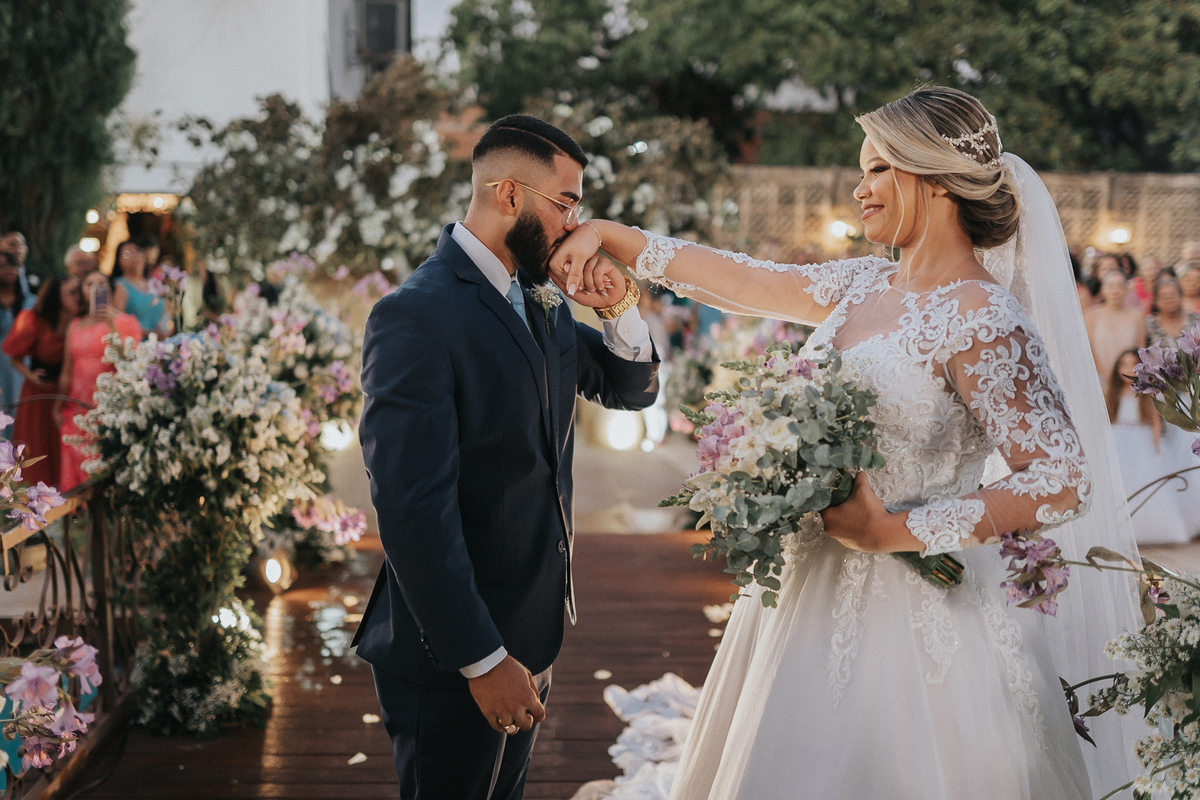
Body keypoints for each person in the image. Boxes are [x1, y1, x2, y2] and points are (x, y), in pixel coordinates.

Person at [552, 86, 1142, 799]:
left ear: (931, 179)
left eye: (877, 170)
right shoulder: (865, 283)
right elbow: (744, 279)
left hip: (920, 628)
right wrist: (613, 237)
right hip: (803, 594)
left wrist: (897, 529)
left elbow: (1060, 477)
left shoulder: (983, 316)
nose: (858, 190)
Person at [351, 114, 660, 799]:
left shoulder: (541, 299)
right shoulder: (414, 315)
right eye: (567, 203)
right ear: (509, 196)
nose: (578, 224)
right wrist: (481, 659)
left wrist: (618, 308)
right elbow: (411, 505)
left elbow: (627, 390)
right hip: (454, 648)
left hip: (533, 629)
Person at [54, 270, 141, 491]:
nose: (95, 288)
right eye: (89, 284)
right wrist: (57, 405)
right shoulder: (74, 325)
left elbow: (130, 363)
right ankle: (78, 521)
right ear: (83, 292)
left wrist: (112, 324)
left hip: (108, 408)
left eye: (101, 283)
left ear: (110, 290)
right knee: (75, 462)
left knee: (104, 469)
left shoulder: (126, 322)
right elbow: (67, 370)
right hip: (76, 407)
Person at [1, 277, 81, 487]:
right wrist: (31, 375)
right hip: (39, 393)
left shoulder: (81, 321)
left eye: (78, 292)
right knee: (36, 447)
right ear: (57, 295)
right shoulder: (34, 318)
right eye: (72, 292)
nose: (78, 296)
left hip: (69, 393)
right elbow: (14, 356)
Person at [1106, 350, 1191, 544]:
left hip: (1140, 439)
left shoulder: (1147, 394)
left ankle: (1147, 529)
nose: (1128, 369)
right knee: (1120, 481)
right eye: (1123, 365)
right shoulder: (1113, 393)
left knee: (1144, 482)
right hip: (1117, 436)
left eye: (1133, 366)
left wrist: (1155, 445)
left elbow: (1155, 422)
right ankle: (1117, 531)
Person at [1085, 269, 1145, 383]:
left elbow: (1139, 350)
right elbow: (1089, 349)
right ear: (1102, 289)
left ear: (1127, 289)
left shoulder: (1137, 316)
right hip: (1099, 379)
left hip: (1129, 380)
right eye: (1110, 286)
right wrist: (1105, 377)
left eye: (1120, 286)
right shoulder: (1091, 315)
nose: (1115, 291)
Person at [0, 244, 28, 439]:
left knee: (20, 422)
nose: (8, 269)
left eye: (13, 265)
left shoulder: (31, 303)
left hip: (21, 371)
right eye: (2, 266)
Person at [110, 239, 165, 334]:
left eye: (138, 251)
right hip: (135, 343)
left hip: (162, 343)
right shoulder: (120, 285)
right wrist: (149, 333)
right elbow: (118, 322)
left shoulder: (154, 283)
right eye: (127, 254)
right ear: (119, 260)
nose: (134, 256)